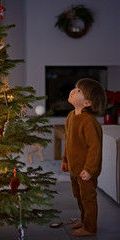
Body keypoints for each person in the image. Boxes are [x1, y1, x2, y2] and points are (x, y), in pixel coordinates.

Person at [61, 78, 107, 237]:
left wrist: (89, 169)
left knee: (88, 198)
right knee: (78, 196)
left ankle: (90, 227)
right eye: (75, 88)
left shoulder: (88, 122)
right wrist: (65, 159)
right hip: (74, 168)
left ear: (87, 102)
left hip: (85, 170)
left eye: (79, 91)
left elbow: (94, 148)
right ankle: (84, 220)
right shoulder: (70, 116)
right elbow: (69, 141)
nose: (73, 91)